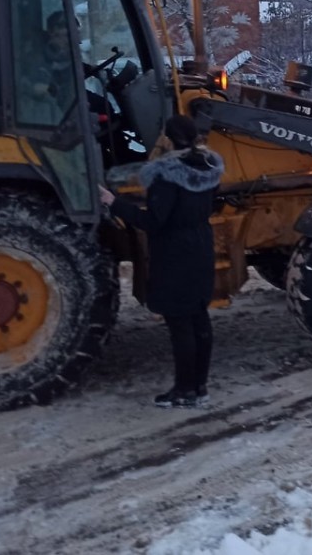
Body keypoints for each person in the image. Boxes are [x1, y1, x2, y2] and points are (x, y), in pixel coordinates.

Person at [100, 114, 224, 407]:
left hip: (174, 253)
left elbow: (154, 222)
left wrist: (113, 203)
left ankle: (184, 391)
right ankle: (200, 387)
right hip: (201, 246)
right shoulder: (208, 169)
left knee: (180, 322)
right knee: (198, 317)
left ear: (167, 139)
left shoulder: (165, 175)